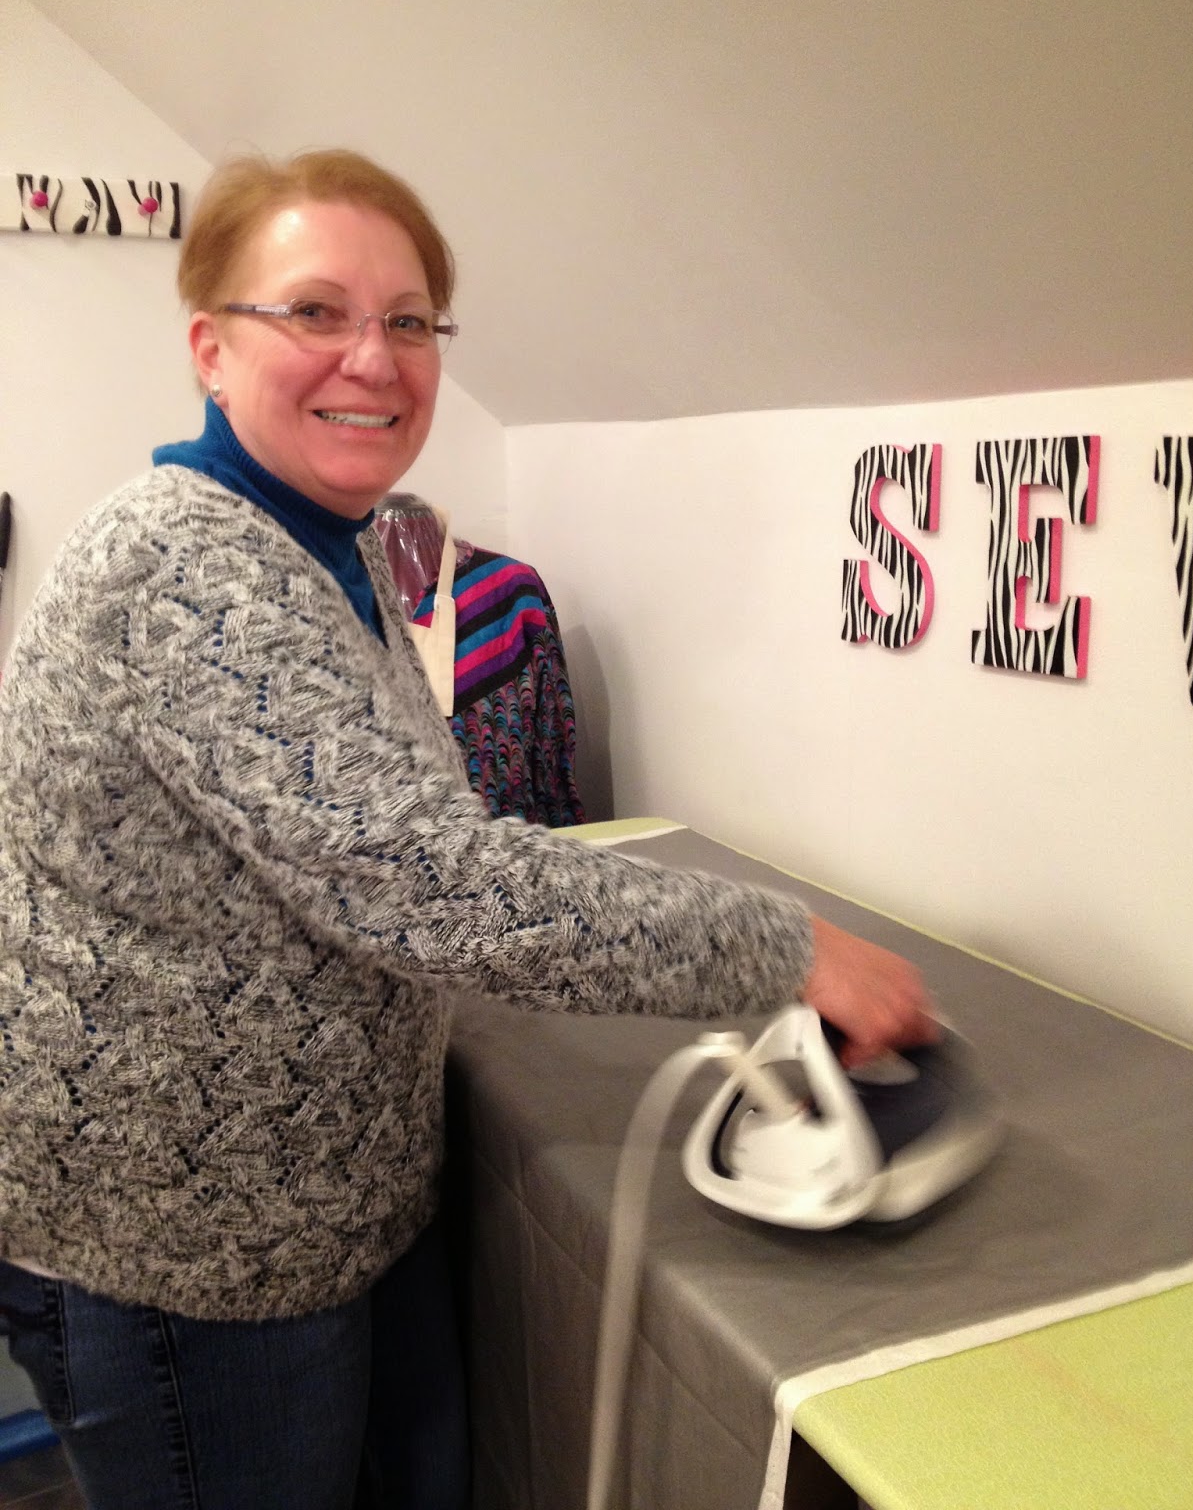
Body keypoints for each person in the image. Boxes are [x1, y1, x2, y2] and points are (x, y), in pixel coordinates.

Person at [0, 150, 936, 1510]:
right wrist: (789, 949)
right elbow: (424, 878)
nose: (373, 359)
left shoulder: (332, 544)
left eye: (410, 320)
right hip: (189, 1255)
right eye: (314, 312)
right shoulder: (181, 561)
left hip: (327, 1205)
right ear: (211, 349)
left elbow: (395, 835)